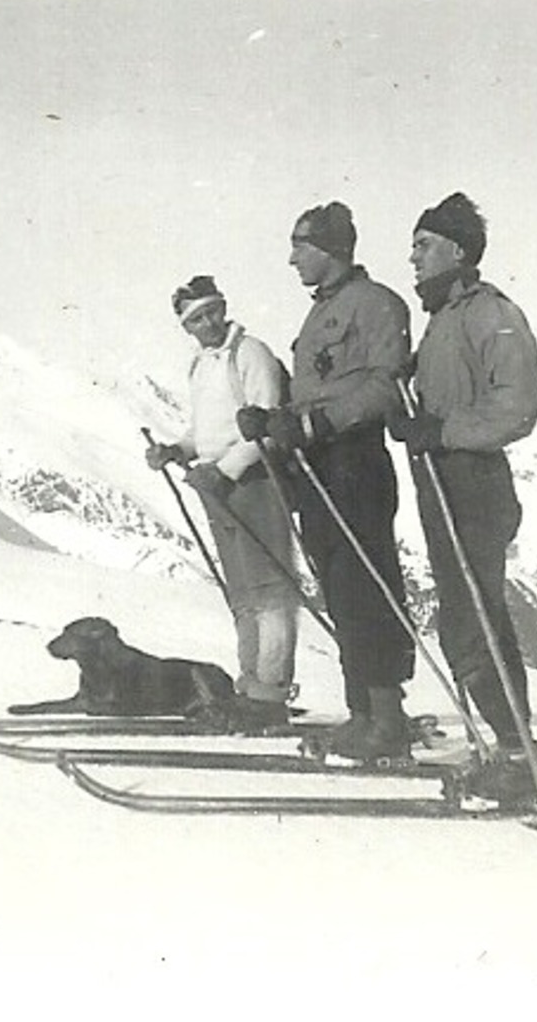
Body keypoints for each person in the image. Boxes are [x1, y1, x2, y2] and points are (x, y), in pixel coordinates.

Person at [236, 202, 415, 760]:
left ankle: (387, 718)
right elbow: (315, 389)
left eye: (302, 246)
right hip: (316, 464)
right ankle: (362, 713)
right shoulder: (321, 314)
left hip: (354, 460)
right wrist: (273, 420)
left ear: (333, 250)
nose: (292, 259)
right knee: (339, 588)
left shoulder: (377, 305)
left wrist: (315, 421)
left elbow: (387, 386)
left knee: (365, 585)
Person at [387, 190, 537, 761]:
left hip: (474, 483)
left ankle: (517, 752)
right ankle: (512, 746)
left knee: (472, 619)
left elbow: (519, 406)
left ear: (457, 250)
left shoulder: (491, 314)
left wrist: (441, 430)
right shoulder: (445, 321)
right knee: (469, 616)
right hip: (444, 481)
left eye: (424, 246)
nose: (414, 258)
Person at [145, 275, 301, 730]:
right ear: (187, 327)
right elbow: (206, 431)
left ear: (224, 308)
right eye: (197, 318)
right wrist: (178, 451)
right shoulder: (200, 365)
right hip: (218, 486)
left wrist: (223, 469)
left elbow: (266, 423)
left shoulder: (248, 353)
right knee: (244, 594)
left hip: (255, 479)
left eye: (213, 312)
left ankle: (270, 694)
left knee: (269, 591)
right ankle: (249, 688)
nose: (208, 322)